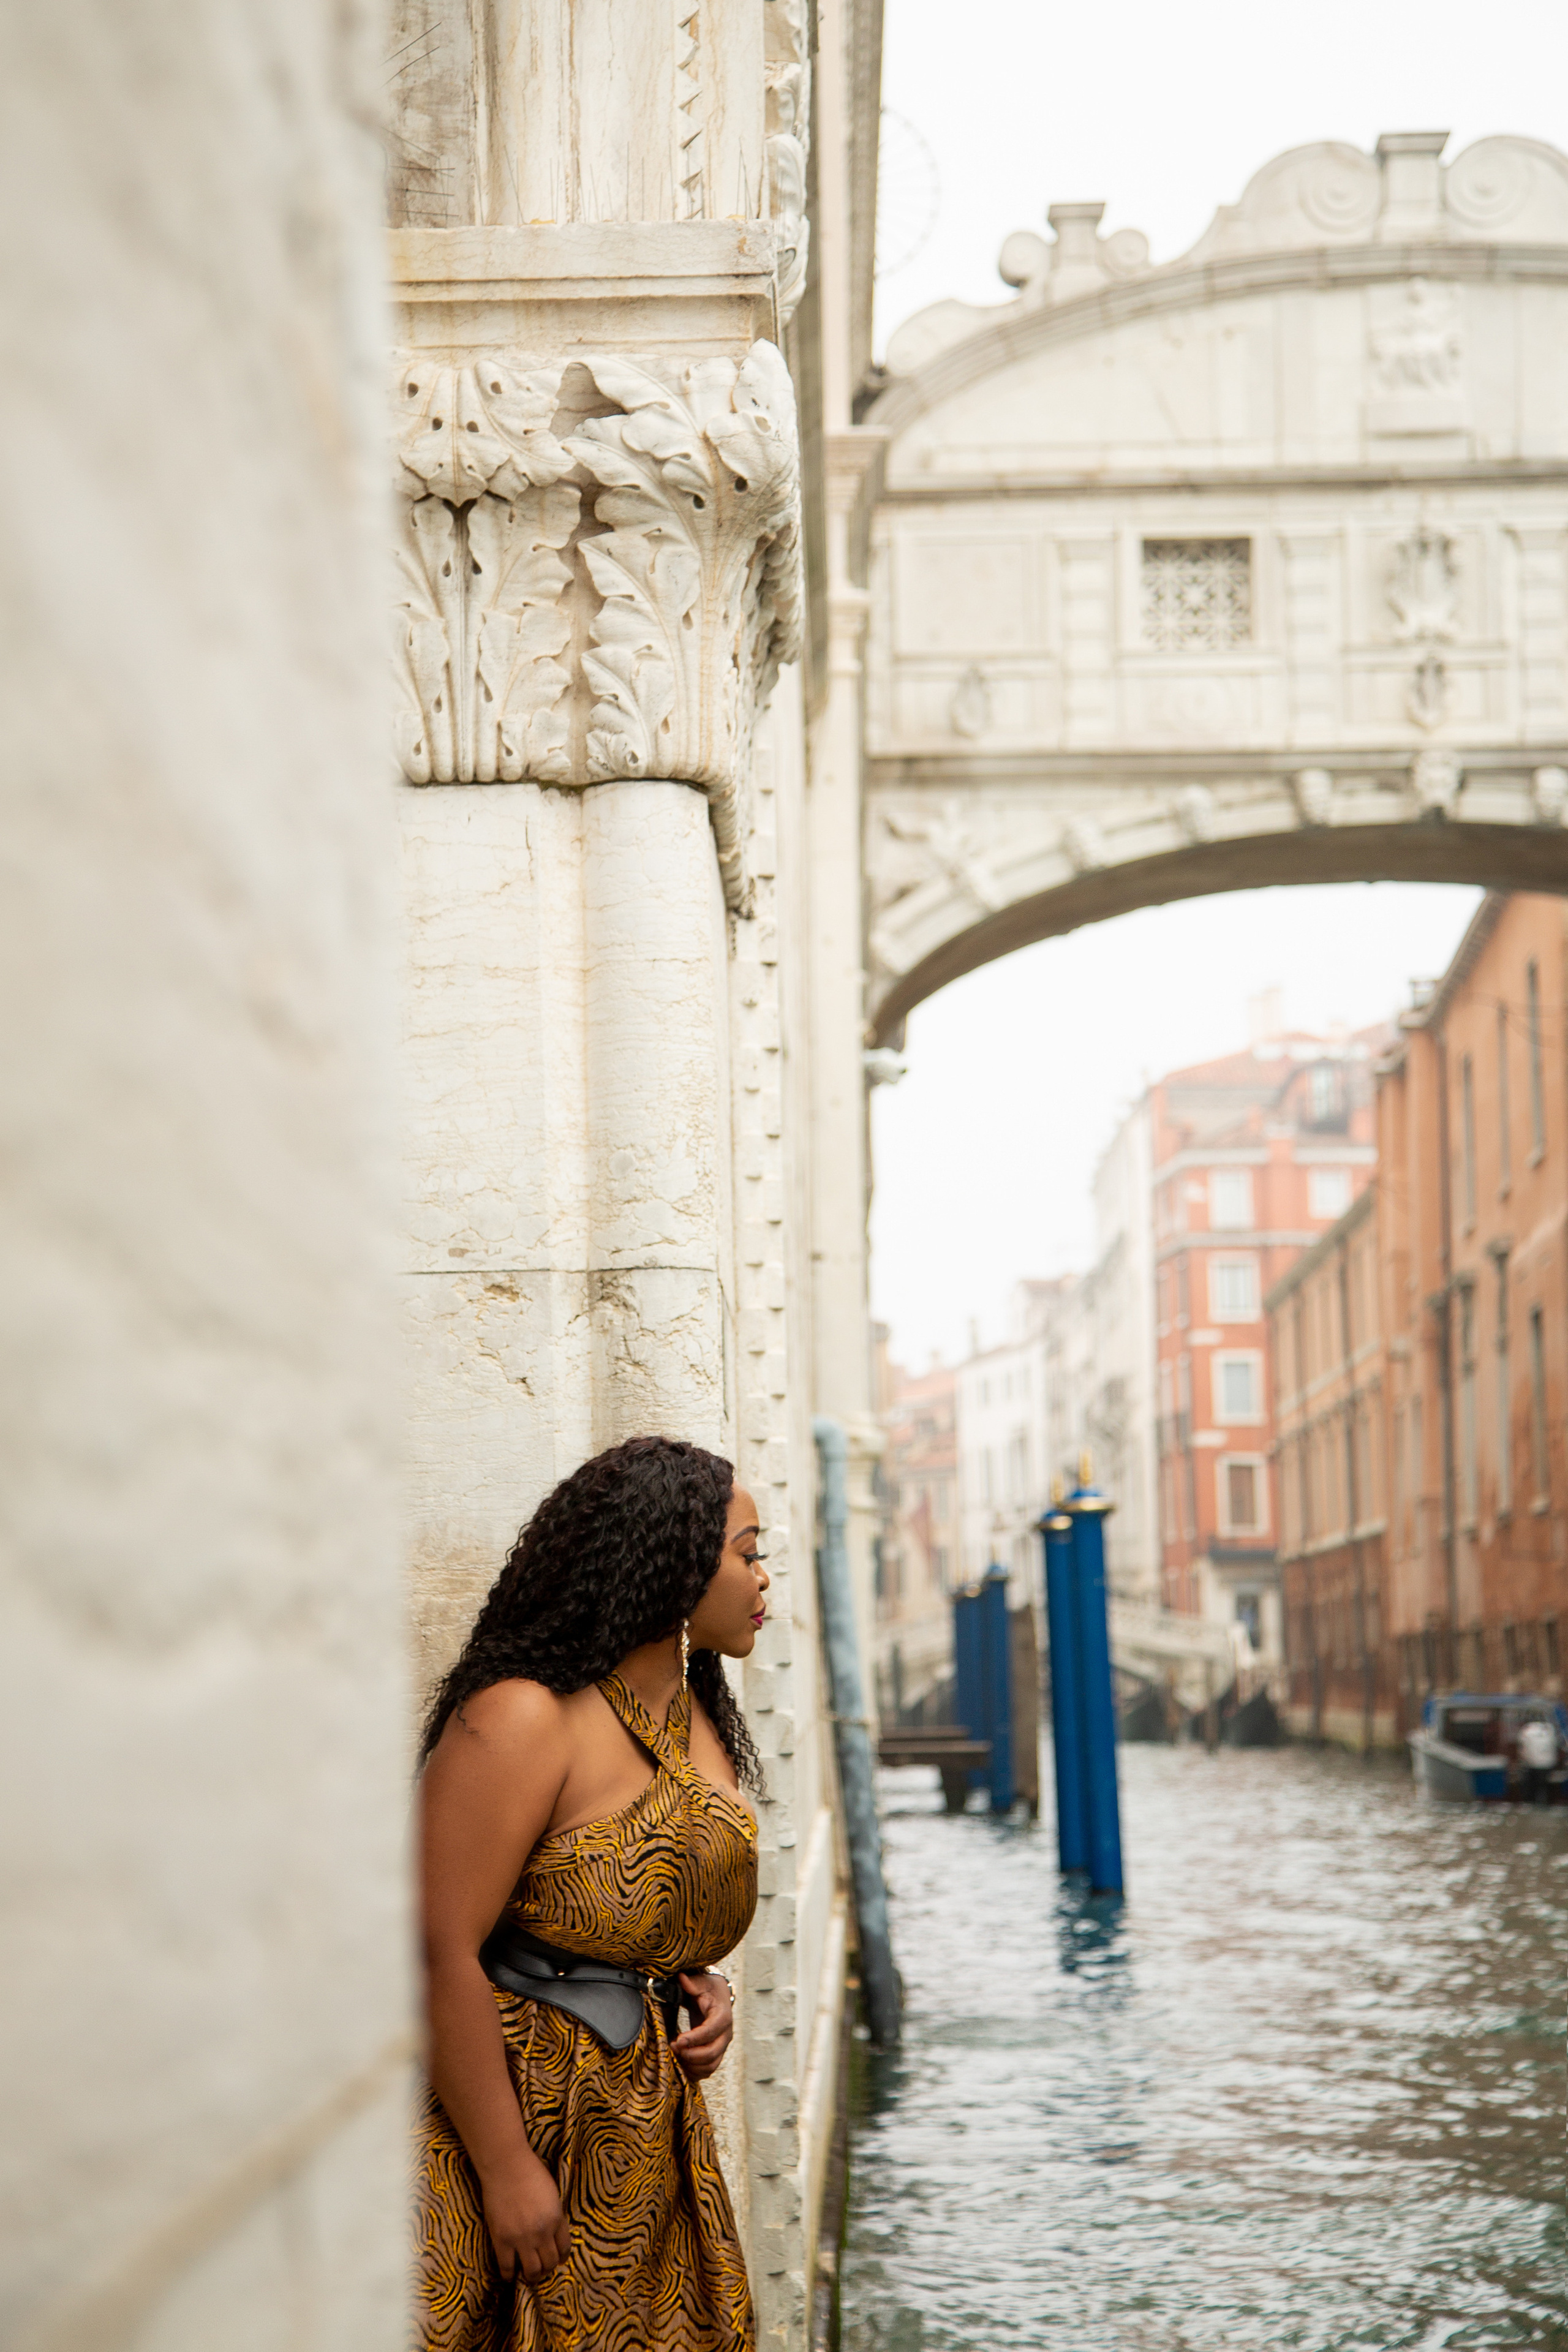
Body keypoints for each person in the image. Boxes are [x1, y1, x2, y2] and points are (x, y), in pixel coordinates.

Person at [415, 1434, 770, 2351]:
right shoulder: (522, 1716)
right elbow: (433, 1947)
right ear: (676, 1561)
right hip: (518, 2114)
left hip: (643, 2129)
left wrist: (695, 1984)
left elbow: (633, 1896)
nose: (763, 1579)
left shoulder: (695, 1712)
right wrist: (504, 2170)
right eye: (747, 1553)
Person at [1516, 1709, 1560, 1804]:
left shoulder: (1526, 1730)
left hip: (1532, 1764)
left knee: (1531, 1786)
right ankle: (1545, 1803)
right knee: (1544, 1785)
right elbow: (1556, 1745)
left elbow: (1522, 1748)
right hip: (1548, 1764)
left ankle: (1531, 1803)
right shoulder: (1550, 1729)